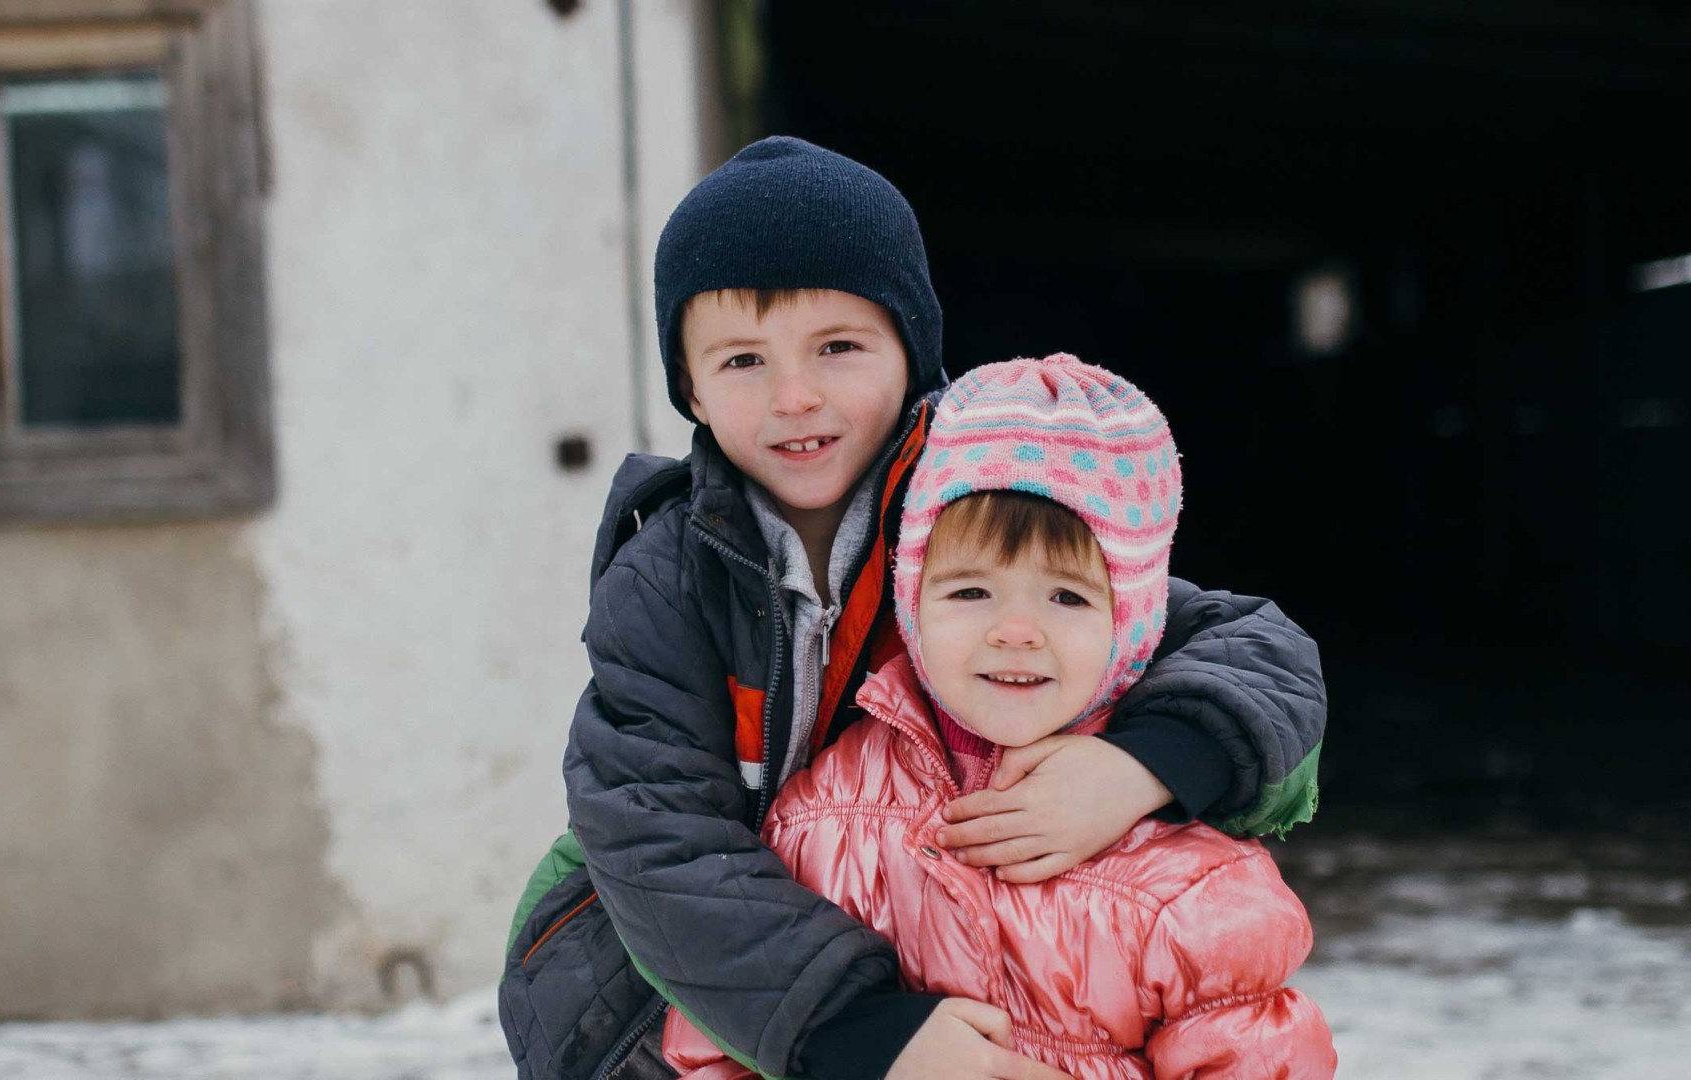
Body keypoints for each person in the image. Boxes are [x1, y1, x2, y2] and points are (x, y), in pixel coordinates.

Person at [498, 137, 1326, 1080]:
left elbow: (1255, 648)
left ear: (913, 350)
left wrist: (1138, 765)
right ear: (688, 386)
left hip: (933, 913)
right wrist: (860, 1032)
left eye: (839, 347)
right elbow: (653, 833)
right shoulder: (666, 580)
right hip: (676, 972)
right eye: (741, 362)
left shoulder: (973, 502)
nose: (795, 397)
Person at [659, 354, 1337, 1080]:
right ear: (911, 603)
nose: (1016, 631)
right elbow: (717, 1048)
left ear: (1133, 621)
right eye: (971, 592)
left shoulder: (1189, 879)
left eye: (1066, 598)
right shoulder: (817, 820)